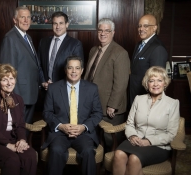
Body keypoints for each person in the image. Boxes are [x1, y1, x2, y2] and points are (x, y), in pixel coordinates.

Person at [42, 56, 103, 175]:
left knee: (88, 151)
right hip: (60, 133)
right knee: (56, 150)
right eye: (70, 68)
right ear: (65, 70)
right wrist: (60, 126)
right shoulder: (53, 88)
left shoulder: (92, 88)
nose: (74, 71)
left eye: (77, 68)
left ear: (82, 70)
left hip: (83, 133)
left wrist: (84, 127)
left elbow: (98, 113)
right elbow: (47, 112)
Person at [113, 66, 180, 175]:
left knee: (134, 159)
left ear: (165, 83)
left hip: (158, 145)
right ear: (147, 83)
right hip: (136, 139)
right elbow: (129, 124)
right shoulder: (138, 99)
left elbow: (171, 134)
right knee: (118, 154)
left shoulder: (173, 103)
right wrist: (132, 136)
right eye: (151, 81)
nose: (155, 84)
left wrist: (149, 141)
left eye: (159, 80)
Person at [84, 18, 130, 150]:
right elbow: (88, 75)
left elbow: (121, 83)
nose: (103, 33)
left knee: (110, 141)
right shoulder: (94, 50)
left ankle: (111, 169)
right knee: (95, 139)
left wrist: (113, 105)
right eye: (100, 30)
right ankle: (98, 167)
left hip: (109, 107)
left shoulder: (120, 53)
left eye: (107, 31)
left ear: (113, 32)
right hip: (92, 103)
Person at [0, 6, 45, 125]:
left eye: (28, 17)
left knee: (25, 129)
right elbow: (7, 71)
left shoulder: (27, 37)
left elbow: (33, 65)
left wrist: (42, 82)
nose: (26, 20)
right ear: (15, 20)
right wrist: (11, 96)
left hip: (30, 93)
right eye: (22, 17)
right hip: (18, 96)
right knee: (17, 130)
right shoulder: (10, 38)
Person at [129, 14, 168, 107]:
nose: (141, 29)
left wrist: (152, 104)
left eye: (145, 26)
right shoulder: (138, 45)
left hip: (146, 100)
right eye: (139, 26)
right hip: (134, 95)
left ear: (154, 28)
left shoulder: (158, 48)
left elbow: (157, 81)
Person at [38, 11, 84, 89]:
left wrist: (57, 85)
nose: (58, 27)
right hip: (45, 90)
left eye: (61, 23)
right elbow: (38, 65)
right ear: (52, 25)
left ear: (67, 24)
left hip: (64, 90)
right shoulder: (43, 42)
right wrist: (43, 82)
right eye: (55, 23)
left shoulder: (75, 44)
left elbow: (77, 70)